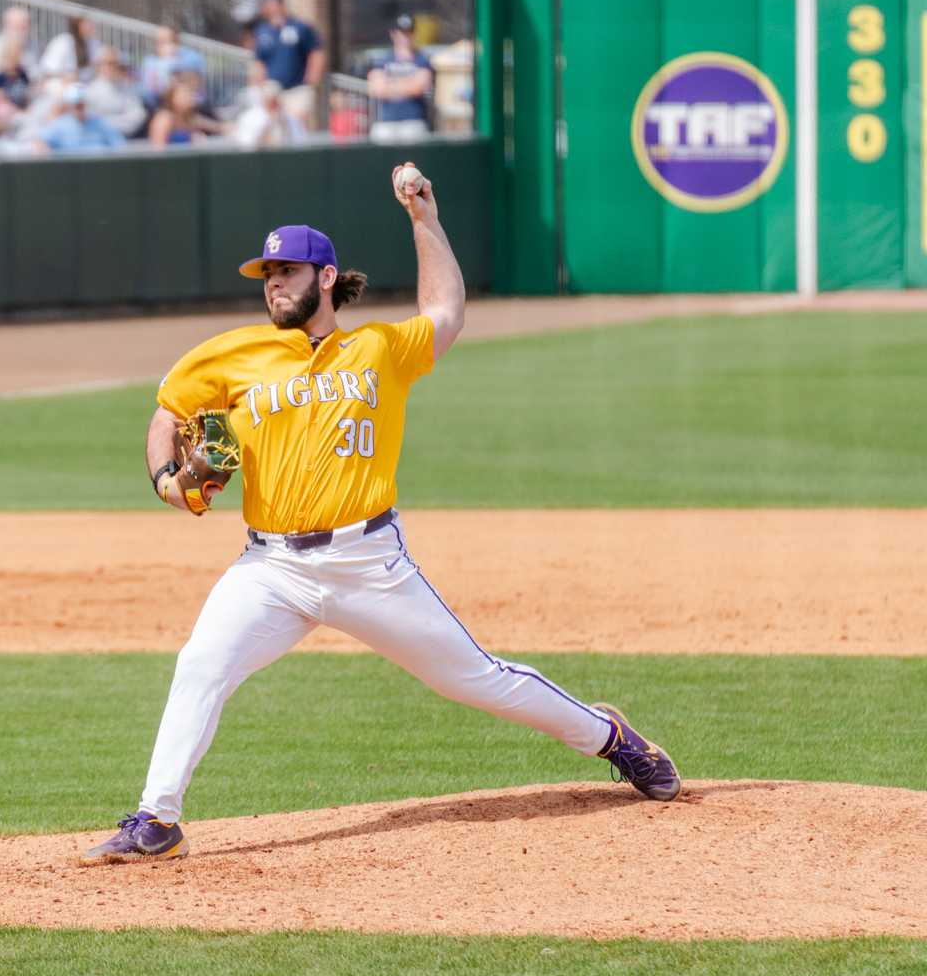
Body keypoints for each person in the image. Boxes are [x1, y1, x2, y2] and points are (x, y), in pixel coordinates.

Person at [79, 166, 682, 865]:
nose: (273, 281)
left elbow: (447, 310)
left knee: (476, 678)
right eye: (266, 272)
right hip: (270, 566)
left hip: (369, 563)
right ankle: (159, 818)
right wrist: (164, 479)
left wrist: (424, 219)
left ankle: (612, 740)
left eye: (287, 269)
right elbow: (169, 413)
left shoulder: (378, 351)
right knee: (202, 662)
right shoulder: (231, 353)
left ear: (326, 277)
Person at [250, 0, 325, 130]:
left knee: (296, 124)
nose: (272, 7)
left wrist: (312, 80)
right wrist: (258, 83)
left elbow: (316, 52)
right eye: (268, 3)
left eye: (275, 3)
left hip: (297, 87)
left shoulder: (300, 27)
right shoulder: (262, 31)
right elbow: (259, 60)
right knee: (272, 125)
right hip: (273, 87)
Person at [366, 14, 434, 144]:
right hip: (386, 121)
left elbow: (419, 87)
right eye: (402, 33)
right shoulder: (384, 59)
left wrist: (390, 85)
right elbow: (376, 89)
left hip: (413, 120)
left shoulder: (422, 59)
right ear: (393, 34)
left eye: (409, 33)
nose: (405, 37)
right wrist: (407, 84)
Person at [38, 83, 122, 154]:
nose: (79, 107)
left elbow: (119, 145)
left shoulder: (100, 122)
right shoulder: (60, 124)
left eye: (81, 103)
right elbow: (40, 142)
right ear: (69, 105)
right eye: (75, 104)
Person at [84, 48, 147, 139]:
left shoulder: (127, 88)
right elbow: (91, 120)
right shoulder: (91, 91)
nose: (111, 67)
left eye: (115, 63)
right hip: (99, 139)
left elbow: (138, 115)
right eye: (107, 63)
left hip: (127, 138)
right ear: (98, 66)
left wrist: (108, 123)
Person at [39, 14, 101, 79]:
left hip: (85, 85)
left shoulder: (94, 44)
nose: (92, 25)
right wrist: (67, 77)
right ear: (78, 24)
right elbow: (47, 69)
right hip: (61, 84)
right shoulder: (63, 41)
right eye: (88, 23)